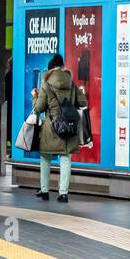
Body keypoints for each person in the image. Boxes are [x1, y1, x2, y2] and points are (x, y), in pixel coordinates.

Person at [31, 53, 88, 203]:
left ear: (50, 68)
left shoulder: (46, 83)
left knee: (45, 157)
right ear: (62, 67)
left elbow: (39, 108)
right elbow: (83, 103)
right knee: (65, 158)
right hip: (68, 126)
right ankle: (63, 194)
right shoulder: (71, 82)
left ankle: (44, 190)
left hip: (51, 126)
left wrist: (35, 96)